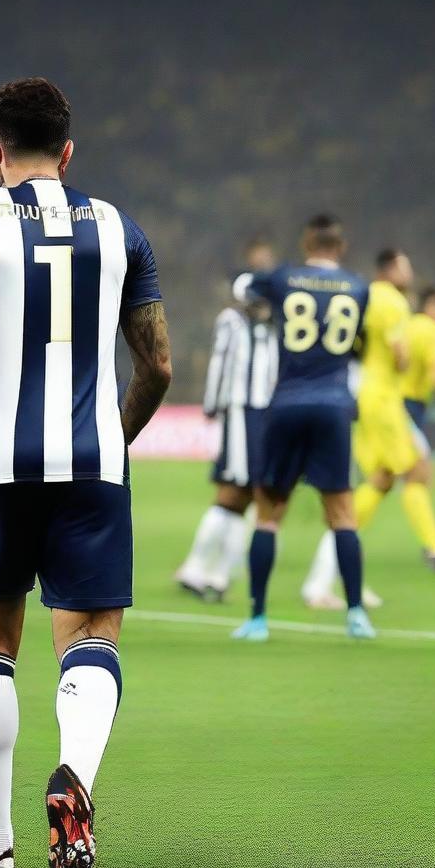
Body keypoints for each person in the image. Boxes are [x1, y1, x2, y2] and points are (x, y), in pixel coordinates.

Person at [0, 78, 172, 868]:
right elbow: (157, 364)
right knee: (90, 638)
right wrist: (111, 441)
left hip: (1, 463)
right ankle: (75, 782)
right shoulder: (121, 229)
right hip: (93, 462)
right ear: (68, 151)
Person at [302, 285, 435, 603]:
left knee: (382, 480)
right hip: (395, 408)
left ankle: (336, 561)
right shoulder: (433, 332)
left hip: (378, 402)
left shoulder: (406, 324)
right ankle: (434, 550)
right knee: (417, 472)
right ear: (434, 306)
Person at [230, 214, 375, 641]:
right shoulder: (358, 286)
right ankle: (355, 615)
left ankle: (257, 618)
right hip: (334, 406)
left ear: (306, 243)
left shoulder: (285, 277)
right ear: (341, 248)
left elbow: (244, 288)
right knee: (343, 515)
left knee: (268, 515)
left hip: (288, 403)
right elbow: (360, 341)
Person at [176, 241, 278, 600]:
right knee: (237, 492)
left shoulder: (272, 324)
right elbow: (219, 364)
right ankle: (200, 568)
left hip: (264, 414)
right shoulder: (232, 321)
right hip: (241, 411)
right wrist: (212, 405)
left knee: (246, 495)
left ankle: (214, 573)